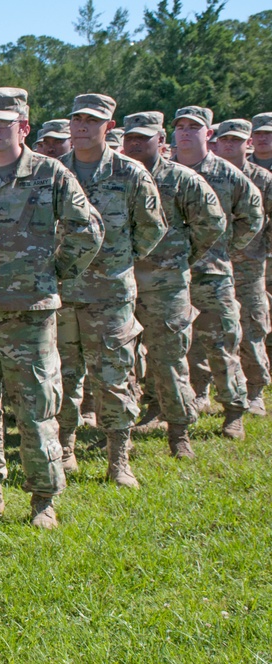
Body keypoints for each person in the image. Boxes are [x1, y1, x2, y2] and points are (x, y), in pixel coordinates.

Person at [0, 87, 101, 522]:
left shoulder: (51, 174)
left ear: (24, 127)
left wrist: (54, 273)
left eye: (4, 123)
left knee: (37, 407)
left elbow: (88, 229)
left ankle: (43, 497)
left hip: (32, 313)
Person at [58, 93, 166, 487]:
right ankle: (64, 449)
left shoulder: (130, 173)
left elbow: (152, 228)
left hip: (111, 295)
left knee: (114, 376)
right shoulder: (54, 172)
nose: (83, 126)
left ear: (109, 126)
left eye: (92, 120)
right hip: (64, 291)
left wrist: (117, 260)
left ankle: (118, 458)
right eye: (77, 119)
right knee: (62, 375)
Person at [123, 112, 225, 457]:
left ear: (160, 141)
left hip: (166, 286)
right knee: (121, 362)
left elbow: (212, 223)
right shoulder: (116, 176)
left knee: (169, 360)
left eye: (143, 138)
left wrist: (181, 257)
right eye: (131, 138)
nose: (135, 144)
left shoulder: (181, 179)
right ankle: (135, 421)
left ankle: (179, 433)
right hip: (118, 284)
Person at [173, 106, 262, 438]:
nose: (185, 132)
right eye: (180, 126)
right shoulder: (163, 172)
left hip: (212, 273)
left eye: (193, 127)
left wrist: (226, 249)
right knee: (177, 345)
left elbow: (252, 214)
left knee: (223, 342)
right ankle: (188, 399)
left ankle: (233, 411)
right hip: (171, 274)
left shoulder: (225, 174)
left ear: (207, 133)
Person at [212, 118, 272, 416]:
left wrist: (264, 250)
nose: (230, 144)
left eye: (237, 140)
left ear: (247, 144)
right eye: (226, 139)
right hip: (213, 265)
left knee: (252, 326)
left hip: (250, 264)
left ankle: (256, 390)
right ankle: (205, 390)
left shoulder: (262, 179)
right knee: (215, 330)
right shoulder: (209, 175)